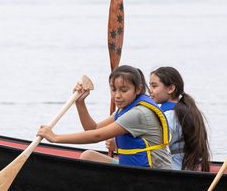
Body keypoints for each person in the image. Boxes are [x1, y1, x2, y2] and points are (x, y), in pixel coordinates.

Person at [38, 64, 174, 169]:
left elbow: (97, 136)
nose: (117, 95)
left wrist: (55, 138)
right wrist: (80, 102)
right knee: (88, 156)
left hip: (150, 172)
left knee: (88, 156)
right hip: (131, 168)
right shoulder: (125, 109)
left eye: (124, 90)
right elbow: (93, 128)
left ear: (138, 89)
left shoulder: (138, 114)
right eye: (113, 89)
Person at [148, 66, 211, 171]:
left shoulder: (168, 116)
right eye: (150, 86)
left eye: (154, 86)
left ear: (171, 88)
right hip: (186, 167)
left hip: (171, 169)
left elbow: (156, 145)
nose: (150, 91)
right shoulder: (185, 110)